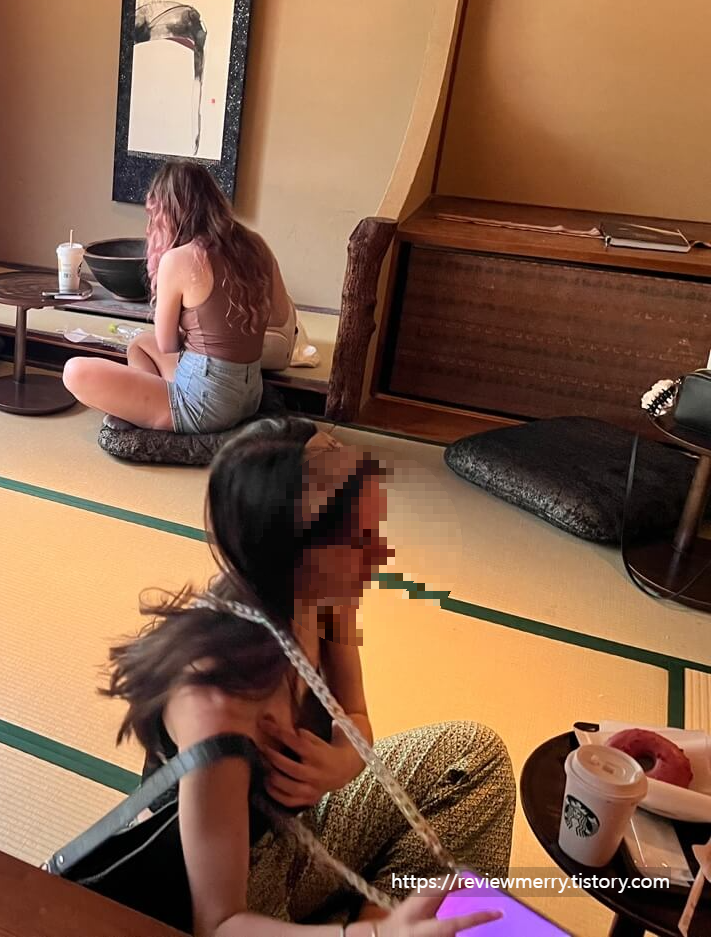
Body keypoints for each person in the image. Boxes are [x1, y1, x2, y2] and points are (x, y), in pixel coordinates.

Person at [100, 418, 514, 934]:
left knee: (474, 756)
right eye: (359, 541)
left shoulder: (324, 600)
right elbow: (219, 922)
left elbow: (355, 715)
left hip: (309, 826)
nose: (381, 556)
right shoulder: (216, 705)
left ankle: (377, 914)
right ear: (289, 555)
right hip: (245, 882)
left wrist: (344, 761)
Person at [63, 161, 277, 433]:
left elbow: (167, 344)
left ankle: (153, 416)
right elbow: (280, 314)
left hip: (204, 403)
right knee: (140, 345)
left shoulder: (181, 258)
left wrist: (196, 335)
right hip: (250, 393)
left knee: (74, 371)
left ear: (167, 213)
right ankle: (143, 409)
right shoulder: (256, 245)